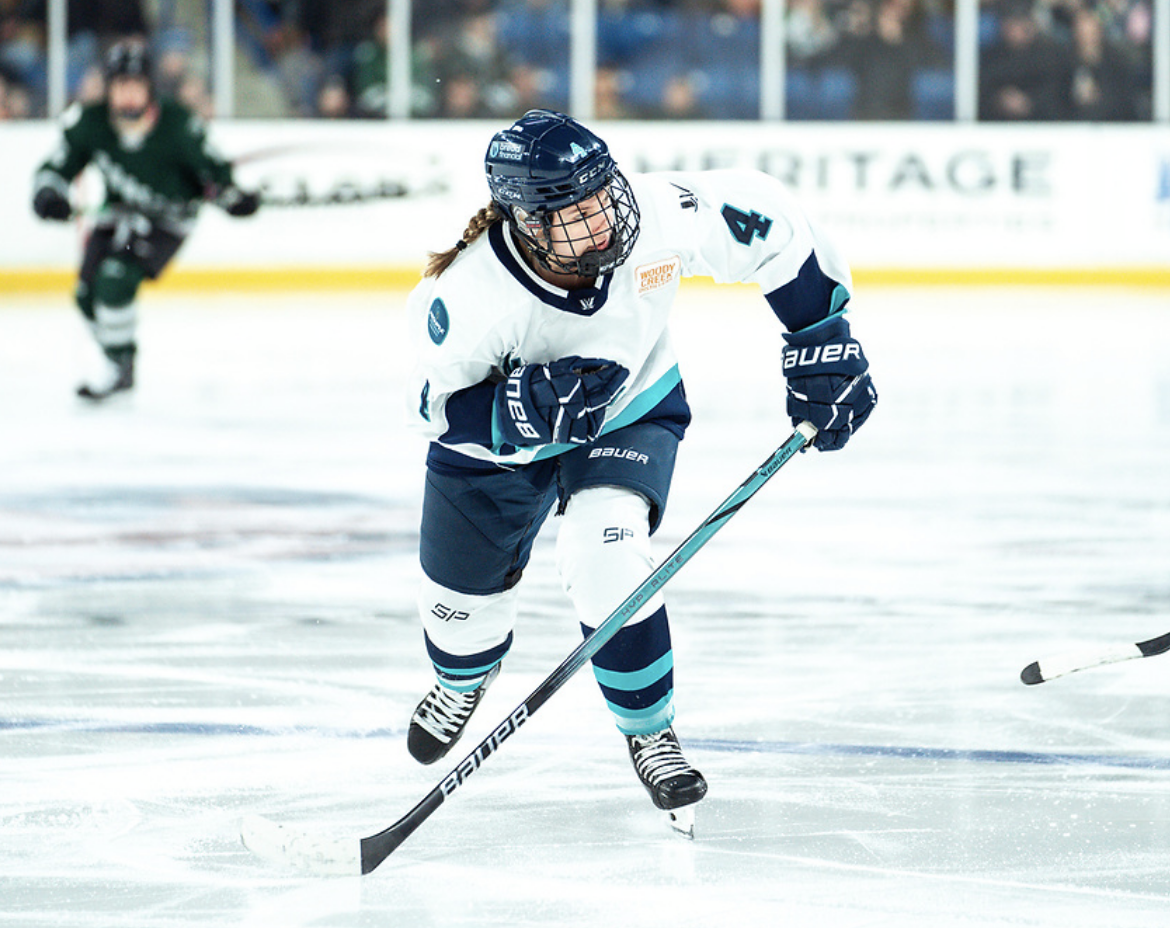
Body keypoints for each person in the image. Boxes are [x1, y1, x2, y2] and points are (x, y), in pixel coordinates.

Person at [402, 110, 877, 830]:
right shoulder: (467, 300)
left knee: (607, 556)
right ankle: (459, 678)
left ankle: (650, 730)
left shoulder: (657, 216)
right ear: (527, 221)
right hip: (493, 457)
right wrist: (518, 415)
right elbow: (433, 409)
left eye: (603, 195)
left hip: (629, 409)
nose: (603, 220)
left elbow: (774, 224)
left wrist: (821, 335)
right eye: (574, 212)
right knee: (458, 613)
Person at [31, 39, 260, 401]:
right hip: (116, 216)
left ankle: (122, 370)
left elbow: (214, 171)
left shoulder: (177, 124)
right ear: (109, 89)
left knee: (114, 280)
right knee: (86, 295)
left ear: (149, 88)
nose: (128, 96)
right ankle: (118, 361)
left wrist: (232, 196)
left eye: (136, 86)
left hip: (166, 222)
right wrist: (48, 195)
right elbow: (56, 167)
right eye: (121, 86)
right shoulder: (91, 123)